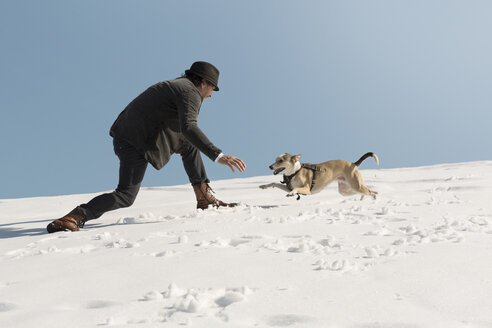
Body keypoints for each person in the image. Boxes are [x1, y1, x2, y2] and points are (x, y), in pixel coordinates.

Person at [47, 61, 246, 233]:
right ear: (203, 82)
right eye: (212, 88)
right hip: (134, 142)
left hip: (133, 137)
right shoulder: (189, 91)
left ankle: (204, 198)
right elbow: (189, 126)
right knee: (126, 196)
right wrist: (218, 156)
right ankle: (74, 217)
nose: (211, 95)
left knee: (189, 145)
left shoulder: (179, 87)